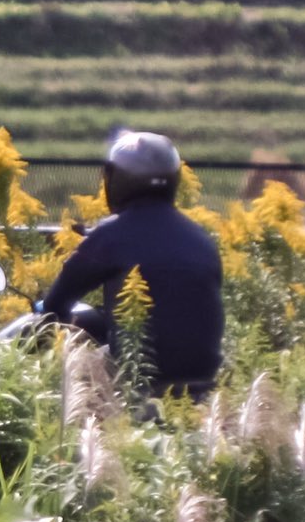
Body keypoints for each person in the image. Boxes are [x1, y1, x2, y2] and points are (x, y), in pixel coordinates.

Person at [34, 129, 224, 397]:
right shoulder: (202, 238)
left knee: (70, 372)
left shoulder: (110, 234)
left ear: (116, 179)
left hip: (138, 385)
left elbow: (55, 306)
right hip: (203, 384)